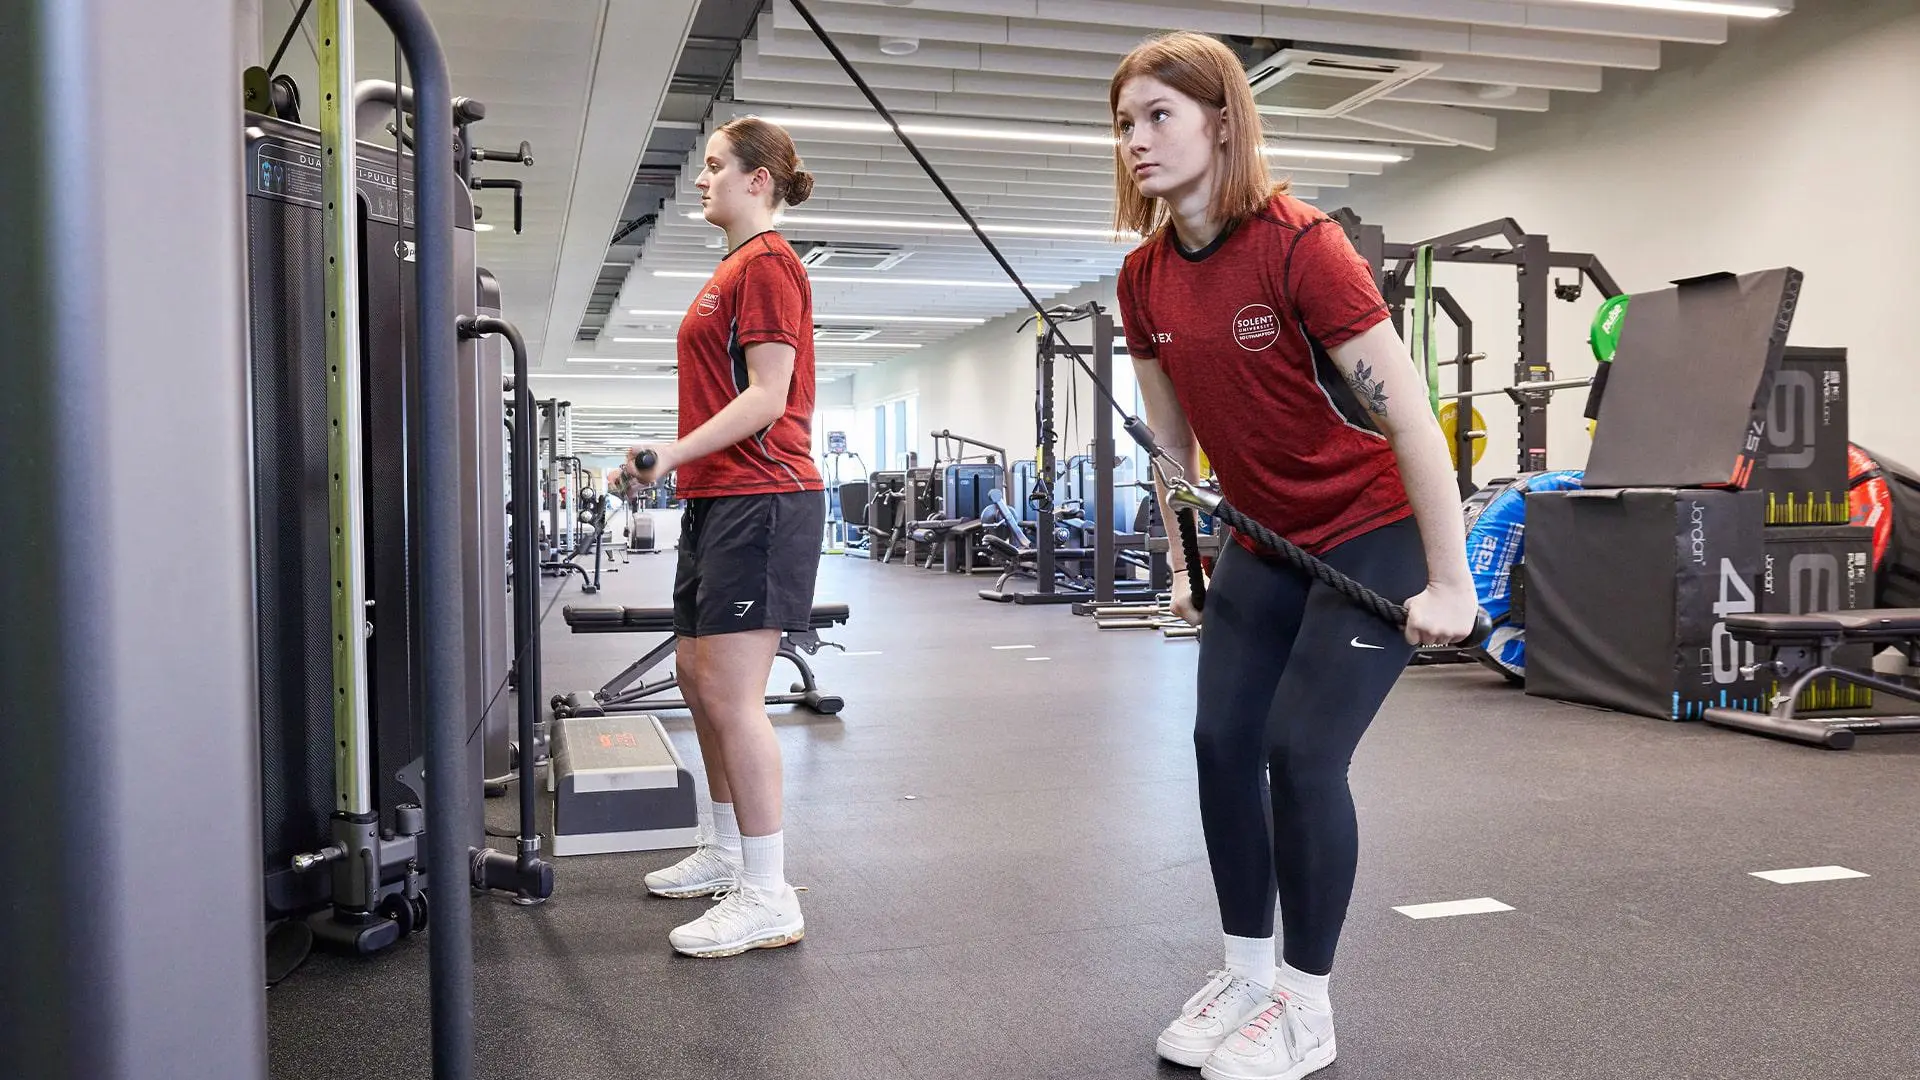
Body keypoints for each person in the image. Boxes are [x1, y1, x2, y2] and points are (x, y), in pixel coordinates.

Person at [1109, 32, 1479, 1080]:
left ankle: (1307, 1006)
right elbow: (1173, 445)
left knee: (1300, 753)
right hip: (1262, 537)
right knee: (1220, 742)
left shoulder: (1298, 243)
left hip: (1373, 523)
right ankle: (1245, 973)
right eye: (1125, 124)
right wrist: (1186, 561)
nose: (1137, 141)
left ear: (1222, 119)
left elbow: (1411, 418)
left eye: (1158, 117)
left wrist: (1451, 581)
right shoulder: (1142, 278)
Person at [622, 115, 824, 959]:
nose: (700, 181)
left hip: (765, 494)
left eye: (714, 167)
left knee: (733, 692)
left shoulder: (770, 263)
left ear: (758, 180)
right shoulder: (732, 268)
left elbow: (768, 396)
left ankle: (768, 892)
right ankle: (727, 847)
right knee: (696, 676)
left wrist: (669, 453)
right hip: (718, 494)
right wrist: (676, 462)